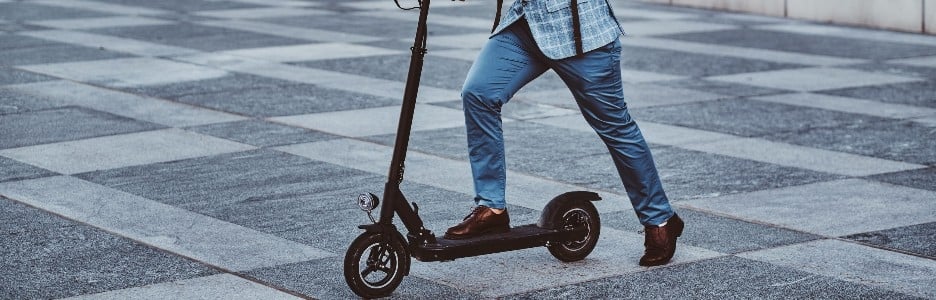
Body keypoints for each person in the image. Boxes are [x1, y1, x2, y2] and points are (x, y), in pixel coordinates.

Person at [443, 0, 684, 266]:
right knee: (479, 93)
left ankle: (659, 219)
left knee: (615, 126)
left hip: (583, 35)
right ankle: (492, 206)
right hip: (527, 26)